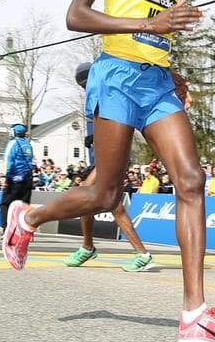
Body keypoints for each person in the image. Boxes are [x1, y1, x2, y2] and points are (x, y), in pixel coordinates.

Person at [1, 0, 215, 342]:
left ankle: (194, 313)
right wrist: (149, 23)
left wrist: (172, 70)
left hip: (157, 84)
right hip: (115, 77)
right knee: (104, 193)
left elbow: (157, 36)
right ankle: (29, 218)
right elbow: (76, 14)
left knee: (192, 180)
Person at [63, 62, 157, 272]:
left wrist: (98, 137)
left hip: (116, 157)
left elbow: (123, 123)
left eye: (87, 83)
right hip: (105, 159)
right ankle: (95, 248)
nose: (86, 88)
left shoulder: (111, 91)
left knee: (91, 197)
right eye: (82, 86)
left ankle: (93, 249)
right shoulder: (95, 96)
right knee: (107, 203)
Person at [0, 124, 35, 234]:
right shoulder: (28, 144)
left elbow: (8, 160)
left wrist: (4, 176)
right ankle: (23, 230)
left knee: (5, 204)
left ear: (15, 132)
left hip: (14, 179)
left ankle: (6, 229)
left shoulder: (13, 143)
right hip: (27, 179)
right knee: (24, 206)